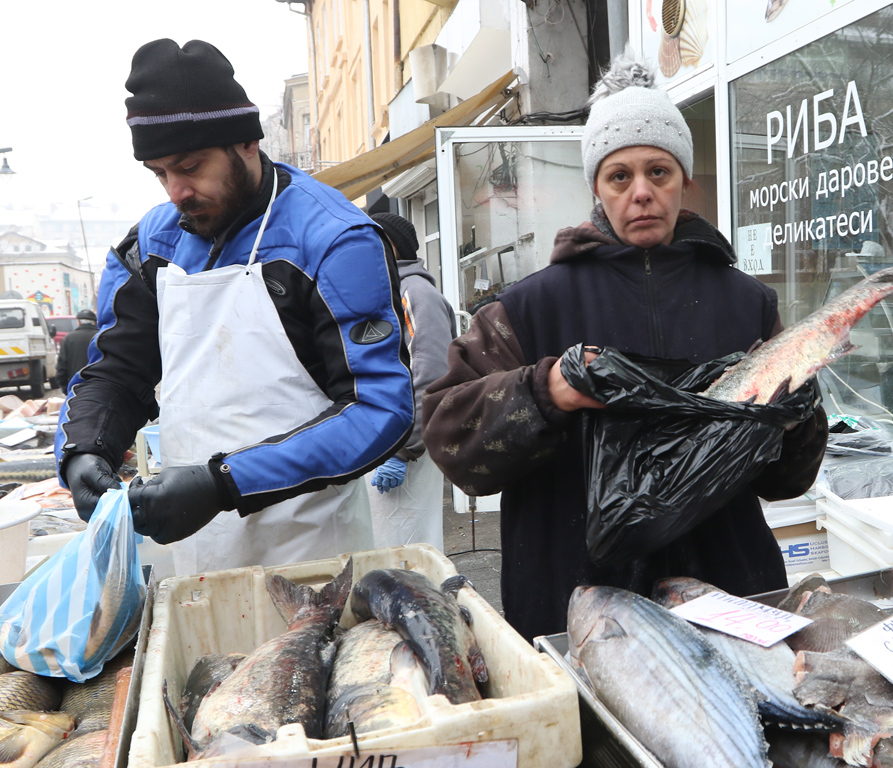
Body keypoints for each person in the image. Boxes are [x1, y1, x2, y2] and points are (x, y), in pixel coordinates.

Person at [422, 54, 829, 641]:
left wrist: (797, 422)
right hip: (582, 617)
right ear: (597, 187)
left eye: (658, 172)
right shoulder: (528, 309)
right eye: (621, 176)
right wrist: (544, 392)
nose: (641, 192)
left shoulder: (748, 305)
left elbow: (787, 482)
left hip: (728, 609)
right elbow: (450, 440)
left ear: (684, 180)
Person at [55, 39, 414, 575]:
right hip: (192, 549)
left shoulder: (334, 239)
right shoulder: (153, 245)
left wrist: (225, 482)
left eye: (191, 166)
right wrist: (85, 448)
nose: (176, 192)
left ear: (247, 142)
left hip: (311, 549)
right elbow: (115, 371)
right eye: (159, 173)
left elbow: (380, 409)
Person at [366, 212, 456, 550]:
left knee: (409, 550)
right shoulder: (387, 290)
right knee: (389, 550)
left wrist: (404, 450)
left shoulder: (414, 292)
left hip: (405, 447)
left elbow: (431, 374)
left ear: (391, 246)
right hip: (389, 442)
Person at [55, 309, 98, 393]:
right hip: (99, 386)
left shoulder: (68, 338)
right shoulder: (100, 336)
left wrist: (65, 388)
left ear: (78, 322)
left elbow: (62, 366)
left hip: (76, 387)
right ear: (95, 322)